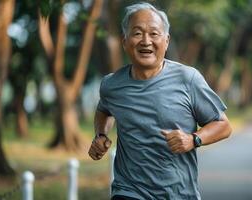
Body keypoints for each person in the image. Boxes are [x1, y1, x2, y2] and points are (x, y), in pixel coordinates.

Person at [88, 2, 232, 200]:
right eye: (137, 33)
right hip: (128, 191)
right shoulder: (111, 85)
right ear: (124, 41)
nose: (146, 41)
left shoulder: (188, 79)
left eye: (154, 34)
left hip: (179, 193)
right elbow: (104, 109)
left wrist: (193, 139)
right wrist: (101, 134)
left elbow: (223, 126)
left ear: (166, 41)